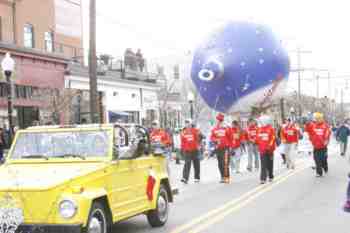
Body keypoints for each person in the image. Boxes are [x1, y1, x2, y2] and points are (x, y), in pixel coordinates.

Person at [305, 112, 331, 177]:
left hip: (323, 146)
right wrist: (307, 124)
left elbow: (327, 134)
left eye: (319, 118)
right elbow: (307, 129)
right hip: (316, 146)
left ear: (322, 119)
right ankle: (319, 172)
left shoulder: (325, 126)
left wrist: (326, 141)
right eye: (316, 118)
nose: (317, 120)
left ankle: (325, 167)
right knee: (316, 159)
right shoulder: (313, 125)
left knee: (323, 159)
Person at [210, 113, 230, 183]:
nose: (219, 121)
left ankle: (226, 177)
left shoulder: (227, 128)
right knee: (220, 163)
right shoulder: (214, 128)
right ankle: (222, 177)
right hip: (218, 148)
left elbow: (230, 137)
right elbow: (212, 137)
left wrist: (231, 146)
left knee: (225, 162)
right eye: (218, 120)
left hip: (226, 147)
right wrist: (216, 140)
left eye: (220, 120)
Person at [256, 115, 276, 184]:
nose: (261, 122)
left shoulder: (271, 129)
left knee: (270, 164)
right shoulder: (259, 129)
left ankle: (271, 176)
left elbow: (273, 138)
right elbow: (258, 138)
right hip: (262, 150)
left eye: (261, 121)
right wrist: (257, 143)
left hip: (269, 149)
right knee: (263, 164)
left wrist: (269, 146)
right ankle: (263, 178)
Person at [180, 119, 201, 184]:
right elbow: (182, 141)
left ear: (190, 123)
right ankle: (185, 178)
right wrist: (182, 149)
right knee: (187, 163)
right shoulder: (183, 132)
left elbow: (198, 139)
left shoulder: (195, 130)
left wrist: (198, 145)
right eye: (186, 123)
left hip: (195, 150)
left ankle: (197, 178)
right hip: (187, 150)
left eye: (188, 123)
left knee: (196, 164)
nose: (187, 124)